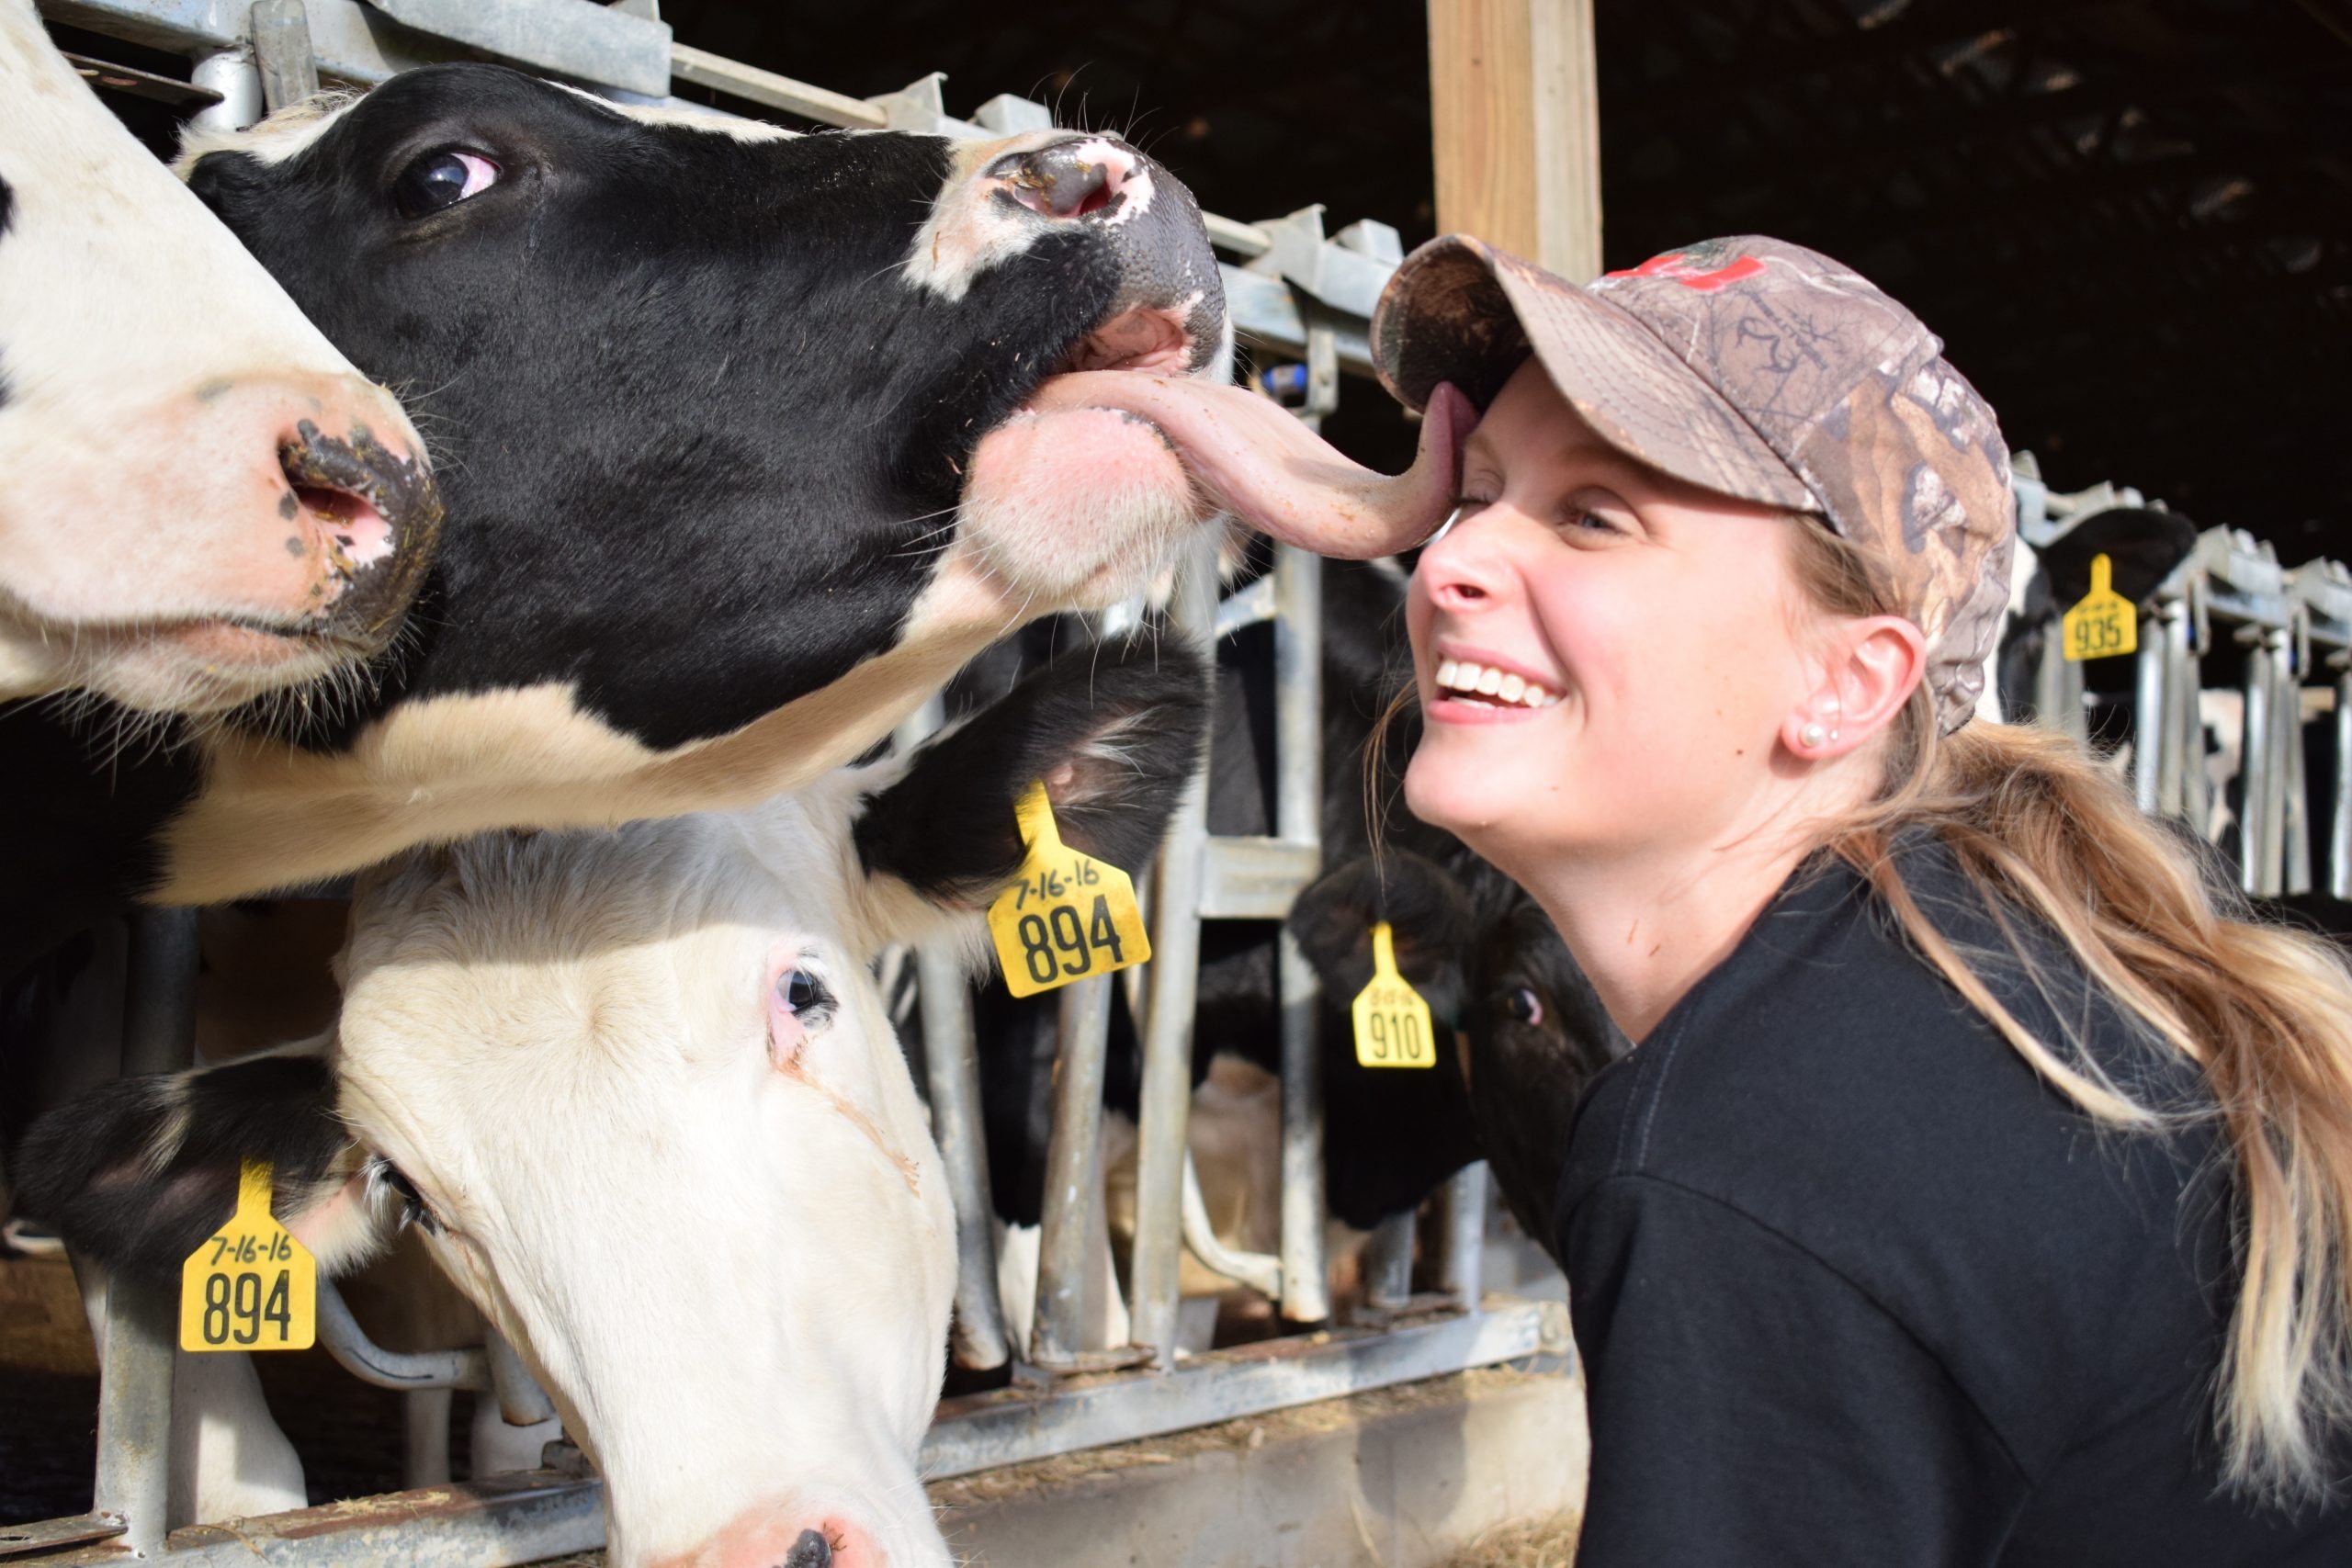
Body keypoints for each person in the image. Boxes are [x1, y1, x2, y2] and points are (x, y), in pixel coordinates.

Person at [1350, 234, 2352, 1563]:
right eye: (1477, 496)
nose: (1445, 567)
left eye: (1594, 515)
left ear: (1846, 683)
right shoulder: (2002, 988)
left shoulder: (1749, 1159)